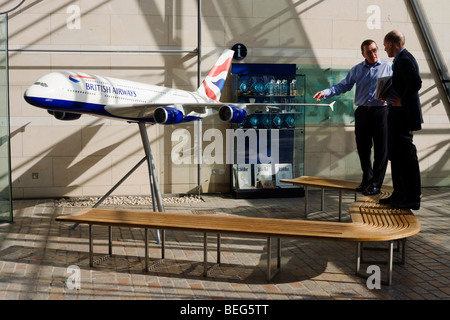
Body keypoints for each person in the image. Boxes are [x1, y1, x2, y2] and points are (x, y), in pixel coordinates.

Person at [313, 40, 392, 195]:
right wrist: (325, 93)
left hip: (381, 112)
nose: (373, 54)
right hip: (363, 112)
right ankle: (367, 180)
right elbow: (343, 86)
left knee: (382, 150)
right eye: (368, 52)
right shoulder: (357, 70)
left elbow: (399, 86)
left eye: (375, 50)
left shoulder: (388, 67)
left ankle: (376, 184)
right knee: (363, 148)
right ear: (363, 54)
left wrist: (389, 98)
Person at [380, 30, 423, 210]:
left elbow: (415, 82)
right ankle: (399, 193)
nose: (384, 49)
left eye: (384, 45)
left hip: (403, 117)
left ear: (391, 44)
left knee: (406, 156)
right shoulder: (401, 60)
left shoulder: (404, 59)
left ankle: (412, 197)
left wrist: (402, 101)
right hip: (398, 117)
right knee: (396, 155)